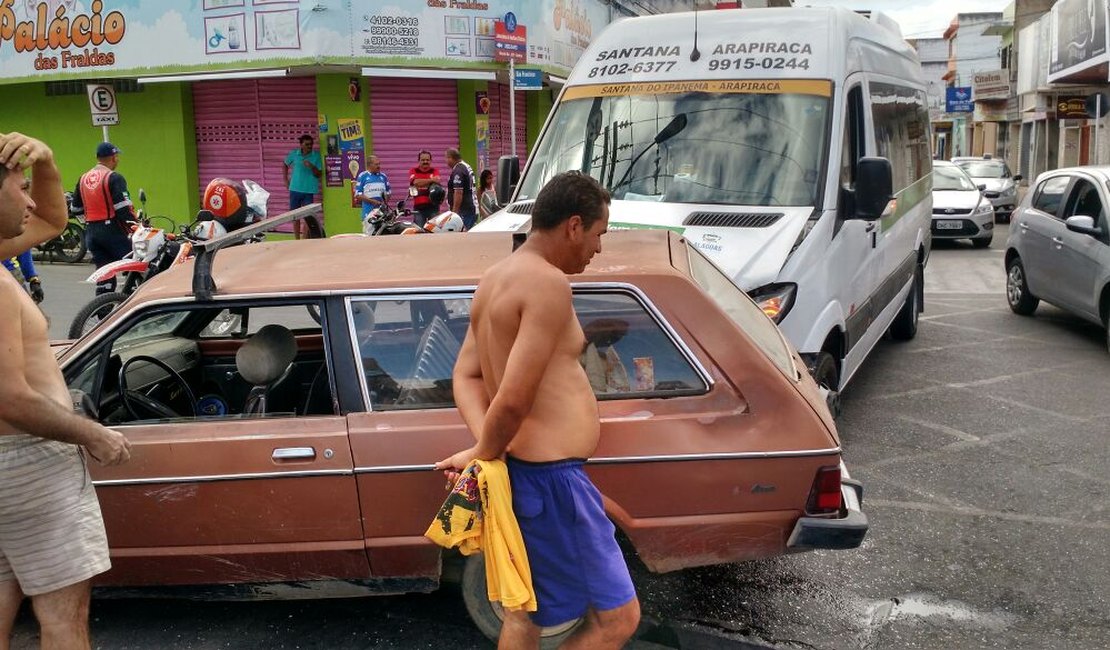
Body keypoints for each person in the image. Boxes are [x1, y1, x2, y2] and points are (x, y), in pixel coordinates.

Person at [435, 171, 640, 648]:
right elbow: (513, 397)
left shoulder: (494, 279)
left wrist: (486, 448)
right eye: (598, 234)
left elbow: (465, 377)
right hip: (554, 486)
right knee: (618, 620)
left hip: (532, 478)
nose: (599, 249)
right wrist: (485, 451)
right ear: (573, 226)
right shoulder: (547, 283)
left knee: (525, 617)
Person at [0, 131, 132, 650]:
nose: (32, 199)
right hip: (27, 460)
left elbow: (53, 222)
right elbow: (9, 397)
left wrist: (49, 159)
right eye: (21, 187)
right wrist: (90, 433)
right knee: (62, 619)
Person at [70, 142, 134, 295]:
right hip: (112, 231)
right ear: (113, 157)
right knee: (134, 266)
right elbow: (123, 208)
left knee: (104, 273)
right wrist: (135, 226)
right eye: (117, 156)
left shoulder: (83, 178)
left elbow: (75, 208)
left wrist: (88, 222)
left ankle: (102, 311)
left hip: (91, 233)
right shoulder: (114, 177)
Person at [283, 134, 322, 240]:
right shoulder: (294, 154)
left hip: (308, 191)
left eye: (311, 144)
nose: (310, 146)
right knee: (295, 216)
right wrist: (285, 180)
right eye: (307, 144)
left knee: (307, 216)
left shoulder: (316, 156)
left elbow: (319, 174)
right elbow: (285, 164)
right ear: (301, 145)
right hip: (295, 189)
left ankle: (304, 239)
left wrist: (312, 166)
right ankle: (296, 239)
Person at [445, 148, 479, 230]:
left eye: (446, 158)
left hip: (465, 211)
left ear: (450, 158)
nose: (446, 161)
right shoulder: (465, 166)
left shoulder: (458, 171)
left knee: (462, 237)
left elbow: (458, 193)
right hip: (469, 209)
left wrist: (454, 214)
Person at [354, 155, 391, 226]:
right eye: (376, 164)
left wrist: (384, 202)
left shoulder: (383, 176)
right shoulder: (363, 176)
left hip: (382, 214)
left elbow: (389, 192)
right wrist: (372, 201)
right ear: (369, 165)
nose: (379, 166)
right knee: (369, 235)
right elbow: (357, 195)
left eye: (379, 164)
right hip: (368, 213)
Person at [408, 150, 441, 227]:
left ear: (431, 160)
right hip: (418, 209)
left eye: (427, 160)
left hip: (433, 207)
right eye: (423, 160)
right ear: (419, 161)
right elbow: (416, 182)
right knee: (418, 231)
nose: (425, 162)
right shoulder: (413, 170)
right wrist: (431, 180)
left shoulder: (435, 171)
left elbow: (437, 181)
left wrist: (421, 182)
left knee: (434, 231)